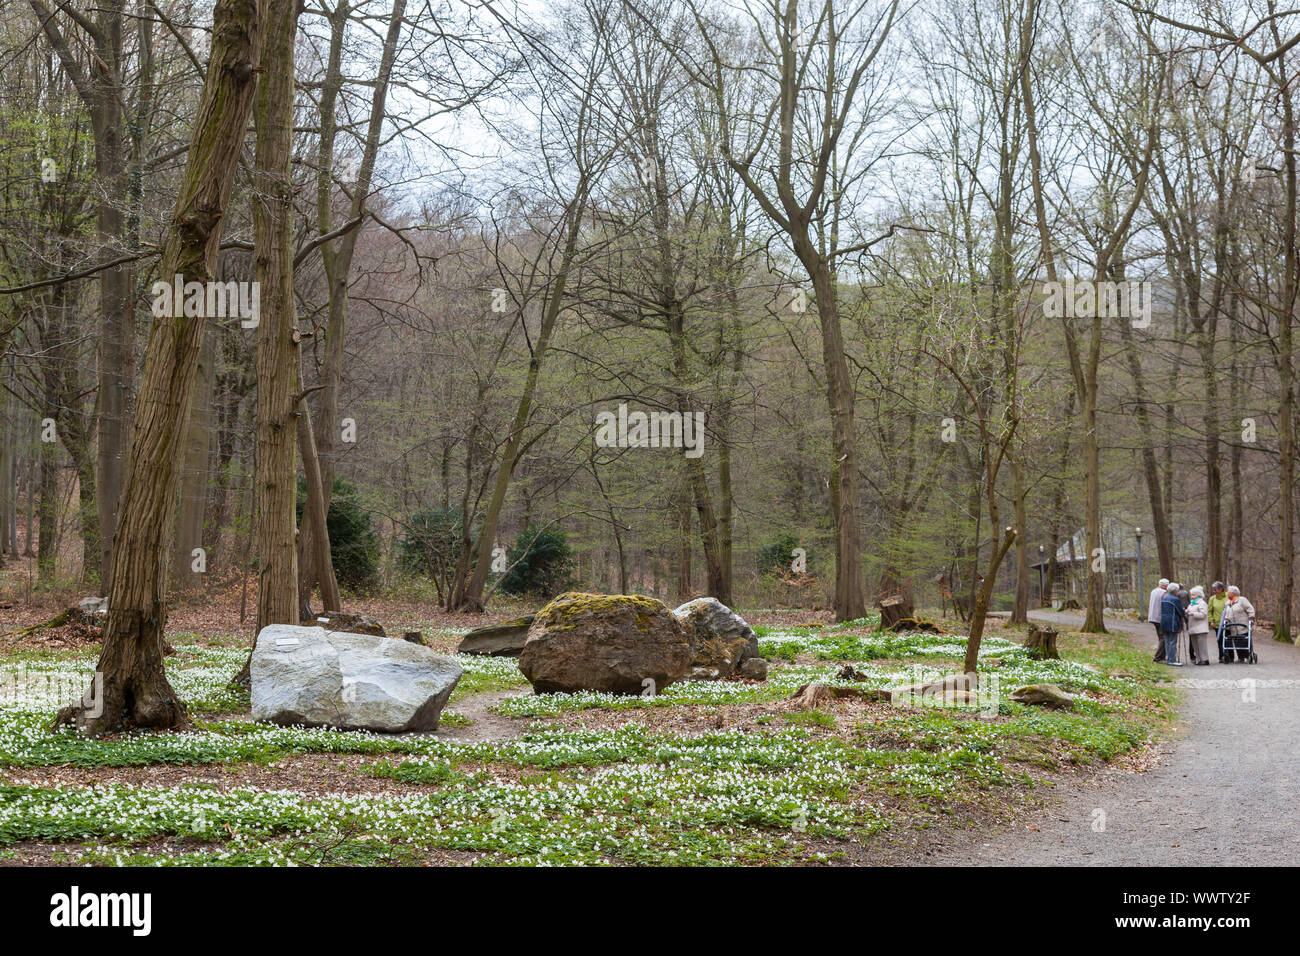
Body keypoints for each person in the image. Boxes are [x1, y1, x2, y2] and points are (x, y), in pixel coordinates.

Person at [1221, 585, 1256, 662]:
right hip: (1233, 626)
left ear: (1233, 593)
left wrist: (1251, 617)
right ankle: (1241, 658)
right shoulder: (1227, 603)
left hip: (1243, 626)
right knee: (1236, 642)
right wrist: (1226, 619)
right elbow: (1226, 613)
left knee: (1245, 641)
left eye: (1228, 592)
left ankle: (1248, 655)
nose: (1227, 593)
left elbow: (1250, 609)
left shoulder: (1242, 600)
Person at [1160, 583, 1187, 666]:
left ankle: (1169, 658)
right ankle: (1172, 660)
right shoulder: (1175, 599)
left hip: (1164, 622)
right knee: (1172, 641)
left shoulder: (1164, 598)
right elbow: (1180, 611)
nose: (1178, 592)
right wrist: (1185, 616)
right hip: (1172, 622)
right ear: (1175, 591)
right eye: (1177, 590)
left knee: (1167, 641)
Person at [1186, 586, 1211, 665]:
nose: (1191, 596)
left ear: (1198, 595)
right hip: (1192, 627)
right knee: (1195, 645)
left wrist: (1192, 613)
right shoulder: (1191, 604)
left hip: (1201, 628)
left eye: (1193, 595)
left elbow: (1203, 615)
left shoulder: (1202, 603)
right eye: (1191, 595)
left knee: (1202, 645)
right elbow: (1189, 613)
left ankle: (1205, 659)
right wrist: (1187, 612)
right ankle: (1199, 659)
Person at [1148, 577, 1169, 663]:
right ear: (1166, 586)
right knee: (1163, 637)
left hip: (1153, 617)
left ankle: (1162, 656)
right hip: (1160, 617)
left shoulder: (1153, 591)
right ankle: (1158, 657)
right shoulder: (1164, 593)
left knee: (1161, 637)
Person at [1207, 581, 1227, 662]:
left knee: (1227, 639)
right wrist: (1211, 621)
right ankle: (1221, 657)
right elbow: (1209, 611)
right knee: (1220, 640)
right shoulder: (1212, 598)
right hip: (1217, 623)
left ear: (1221, 589)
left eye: (1215, 589)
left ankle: (1229, 656)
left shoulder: (1227, 597)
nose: (1214, 591)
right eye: (1213, 589)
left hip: (1227, 623)